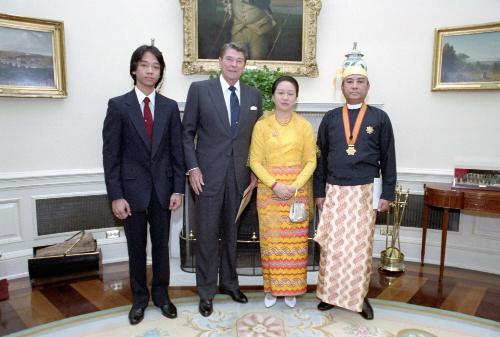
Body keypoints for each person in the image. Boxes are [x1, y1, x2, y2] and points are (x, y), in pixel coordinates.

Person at [102, 45, 185, 325]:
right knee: (136, 250)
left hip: (163, 193)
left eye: (156, 66)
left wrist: (177, 189)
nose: (151, 71)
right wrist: (116, 195)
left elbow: (177, 152)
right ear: (134, 69)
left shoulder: (170, 107)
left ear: (161, 72)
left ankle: (162, 296)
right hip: (131, 194)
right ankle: (139, 300)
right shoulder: (118, 106)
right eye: (145, 65)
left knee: (161, 248)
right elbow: (111, 156)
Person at [182, 42, 263, 317]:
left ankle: (229, 283)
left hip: (240, 178)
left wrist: (254, 170)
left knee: (232, 234)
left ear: (244, 65)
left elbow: (256, 139)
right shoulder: (200, 90)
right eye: (229, 59)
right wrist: (192, 168)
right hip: (206, 176)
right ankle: (206, 292)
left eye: (239, 61)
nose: (234, 65)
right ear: (219, 61)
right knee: (206, 234)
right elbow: (186, 133)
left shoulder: (254, 96)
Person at [313, 61, 397, 320]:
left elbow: (388, 157)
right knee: (333, 247)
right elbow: (320, 157)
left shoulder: (379, 118)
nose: (355, 86)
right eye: (350, 81)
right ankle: (329, 295)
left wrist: (387, 194)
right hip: (334, 190)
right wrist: (319, 192)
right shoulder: (330, 118)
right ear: (342, 87)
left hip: (365, 191)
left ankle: (359, 297)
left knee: (359, 249)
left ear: (368, 87)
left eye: (360, 81)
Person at [249, 76, 316, 308]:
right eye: (281, 92)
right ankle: (271, 289)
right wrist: (275, 184)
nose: (285, 97)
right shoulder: (262, 125)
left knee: (295, 246)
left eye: (290, 93)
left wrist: (295, 185)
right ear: (273, 95)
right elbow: (255, 161)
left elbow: (310, 161)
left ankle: (292, 290)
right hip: (270, 192)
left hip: (296, 193)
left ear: (296, 98)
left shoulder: (304, 126)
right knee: (271, 243)